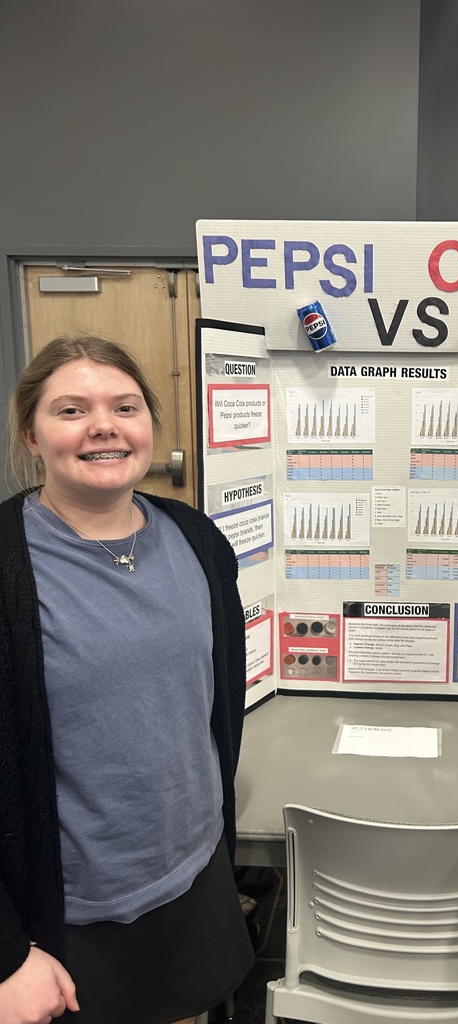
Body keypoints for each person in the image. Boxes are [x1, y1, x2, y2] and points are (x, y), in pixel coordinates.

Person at [0, 337, 254, 1024]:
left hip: (192, 880)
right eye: (72, 409)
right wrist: (6, 954)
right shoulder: (8, 567)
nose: (104, 425)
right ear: (31, 432)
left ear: (149, 427)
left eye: (125, 406)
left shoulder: (197, 541)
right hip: (65, 920)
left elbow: (213, 708)